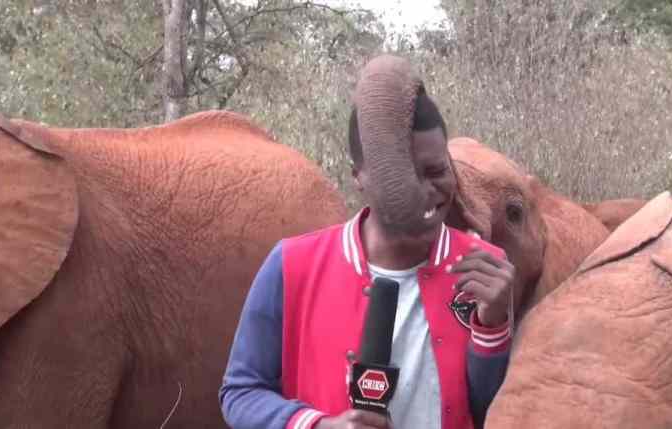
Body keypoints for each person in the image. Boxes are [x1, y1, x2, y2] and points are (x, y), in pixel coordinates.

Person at [219, 54, 514, 429]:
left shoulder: (484, 267)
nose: (426, 190)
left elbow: (491, 408)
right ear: (358, 175)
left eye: (438, 171)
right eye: (404, 176)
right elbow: (240, 392)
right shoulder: (292, 266)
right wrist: (318, 425)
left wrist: (493, 325)